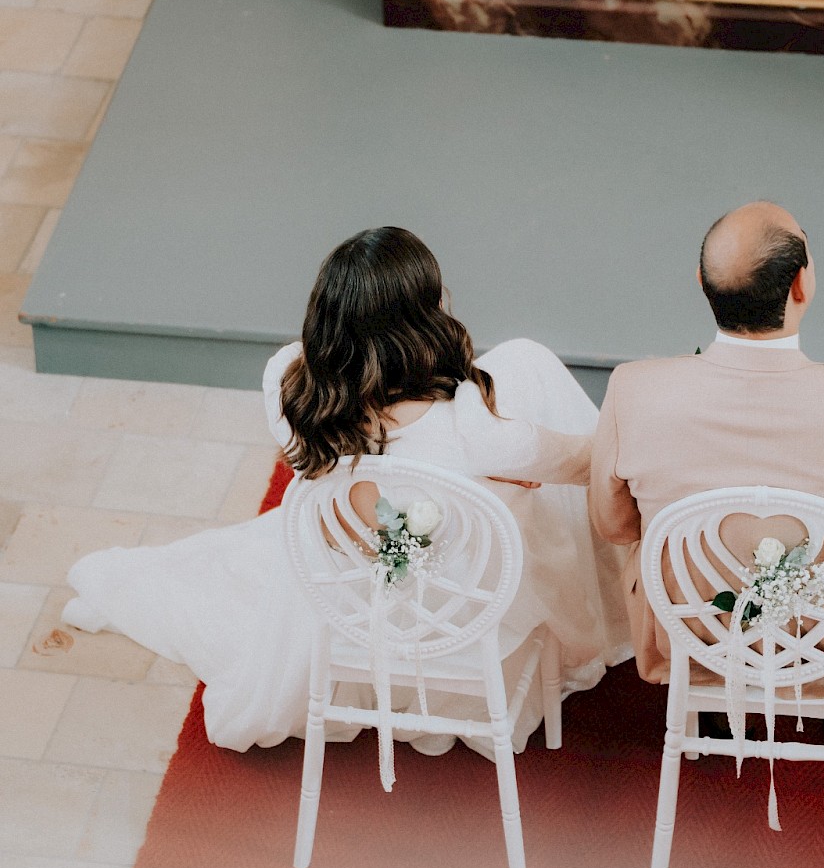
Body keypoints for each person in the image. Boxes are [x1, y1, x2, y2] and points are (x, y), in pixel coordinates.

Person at [62, 227, 631, 755]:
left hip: (346, 589)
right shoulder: (480, 434)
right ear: (422, 319)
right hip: (462, 609)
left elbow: (330, 466)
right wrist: (507, 476)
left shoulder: (288, 386)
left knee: (513, 380)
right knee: (527, 362)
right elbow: (599, 464)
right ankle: (620, 594)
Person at [588, 200, 824, 718]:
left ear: (701, 283)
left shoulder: (632, 389)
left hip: (690, 637)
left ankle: (716, 677)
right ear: (800, 287)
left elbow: (612, 526)